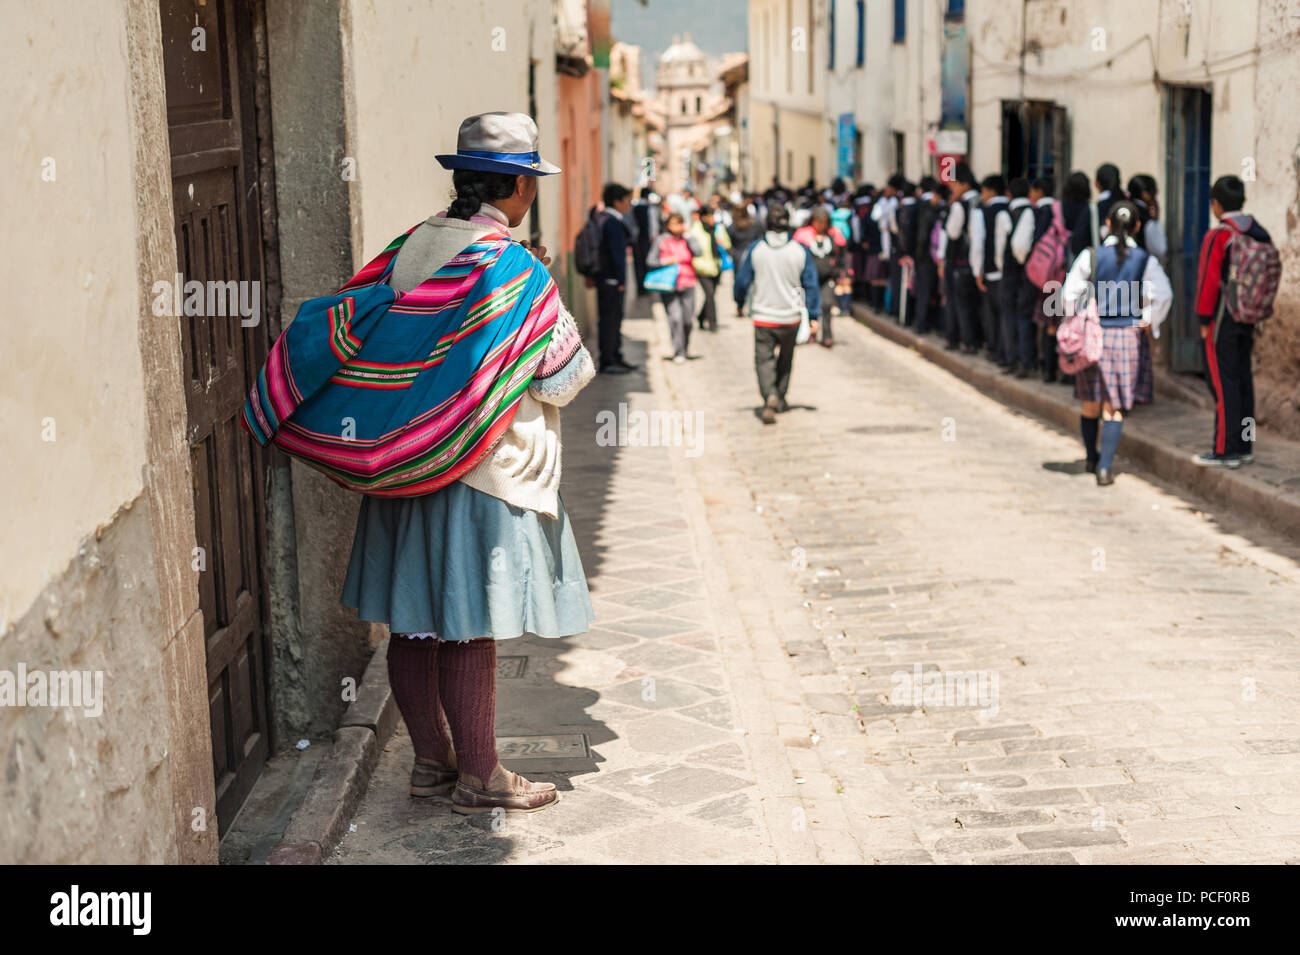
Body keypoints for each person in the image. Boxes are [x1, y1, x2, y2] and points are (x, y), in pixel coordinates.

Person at [317, 113, 595, 813]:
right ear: (517, 187)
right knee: (469, 621)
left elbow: (371, 328)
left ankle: (431, 765)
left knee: (414, 621)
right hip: (477, 469)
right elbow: (561, 378)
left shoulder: (408, 249)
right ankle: (482, 775)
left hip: (402, 462)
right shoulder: (514, 270)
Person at [1062, 200, 1172, 485]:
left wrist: (1079, 316)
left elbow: (1068, 295)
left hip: (1093, 334)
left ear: (1107, 224)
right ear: (1137, 226)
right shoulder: (1144, 260)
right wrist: (1148, 320)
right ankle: (1105, 467)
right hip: (1125, 335)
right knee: (1114, 405)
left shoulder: (1092, 255)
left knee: (1090, 402)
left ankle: (1090, 458)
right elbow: (1164, 294)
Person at [1192, 175, 1274, 468]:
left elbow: (1209, 282)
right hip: (1249, 316)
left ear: (1216, 204)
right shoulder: (1258, 232)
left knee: (1223, 383)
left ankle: (1226, 450)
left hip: (1222, 319)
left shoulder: (1219, 236)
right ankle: (1245, 444)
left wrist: (1203, 319)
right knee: (1243, 380)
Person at [733, 203, 821, 423]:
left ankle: (769, 394)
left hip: (764, 316)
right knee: (786, 359)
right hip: (791, 316)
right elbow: (810, 284)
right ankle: (780, 397)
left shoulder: (757, 249)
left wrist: (739, 301)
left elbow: (742, 281)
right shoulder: (799, 250)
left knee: (763, 360)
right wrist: (814, 315)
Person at [646, 212, 701, 363]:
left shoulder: (688, 239)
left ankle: (685, 347)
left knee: (688, 320)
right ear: (668, 225)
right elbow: (650, 260)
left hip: (688, 282)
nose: (678, 227)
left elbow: (698, 252)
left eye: (680, 223)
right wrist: (666, 261)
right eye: (674, 223)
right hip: (669, 285)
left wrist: (689, 237)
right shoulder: (661, 240)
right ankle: (678, 351)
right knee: (675, 319)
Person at [595, 182, 636, 374]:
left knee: (613, 318)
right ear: (617, 201)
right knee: (610, 320)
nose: (629, 204)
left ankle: (615, 355)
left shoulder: (604, 219)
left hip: (606, 278)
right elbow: (617, 254)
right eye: (626, 200)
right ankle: (608, 360)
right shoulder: (612, 222)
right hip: (611, 279)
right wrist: (621, 280)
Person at [794, 207, 848, 346]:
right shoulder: (803, 235)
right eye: (818, 222)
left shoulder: (833, 235)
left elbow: (842, 256)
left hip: (827, 278)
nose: (820, 226)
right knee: (806, 304)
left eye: (823, 222)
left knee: (827, 305)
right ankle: (808, 331)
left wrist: (841, 273)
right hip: (807, 279)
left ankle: (827, 336)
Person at [943, 163, 982, 352]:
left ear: (964, 184)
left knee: (959, 304)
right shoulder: (982, 201)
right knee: (974, 305)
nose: (952, 188)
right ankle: (975, 340)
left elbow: (952, 232)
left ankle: (961, 340)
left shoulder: (960, 206)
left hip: (959, 260)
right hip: (979, 262)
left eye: (954, 183)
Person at [1000, 176, 1037, 377]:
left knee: (1011, 316)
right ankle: (1024, 359)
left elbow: (1007, 246)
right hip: (1023, 273)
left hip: (1009, 272)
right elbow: (1020, 246)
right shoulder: (1028, 212)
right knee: (1023, 316)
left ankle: (1014, 358)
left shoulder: (1006, 213)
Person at [974, 174, 1009, 363]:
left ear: (991, 191)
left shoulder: (982, 212)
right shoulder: (1012, 209)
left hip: (990, 270)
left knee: (992, 315)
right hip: (1008, 272)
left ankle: (996, 350)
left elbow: (978, 244)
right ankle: (1005, 352)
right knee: (1006, 315)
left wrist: (978, 271)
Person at [689, 205, 731, 331]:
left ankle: (701, 317)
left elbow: (728, 244)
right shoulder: (695, 231)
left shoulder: (719, 228)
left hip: (716, 266)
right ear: (704, 217)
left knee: (710, 295)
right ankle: (713, 323)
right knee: (710, 294)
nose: (712, 218)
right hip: (702, 268)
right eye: (710, 216)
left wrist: (722, 243)